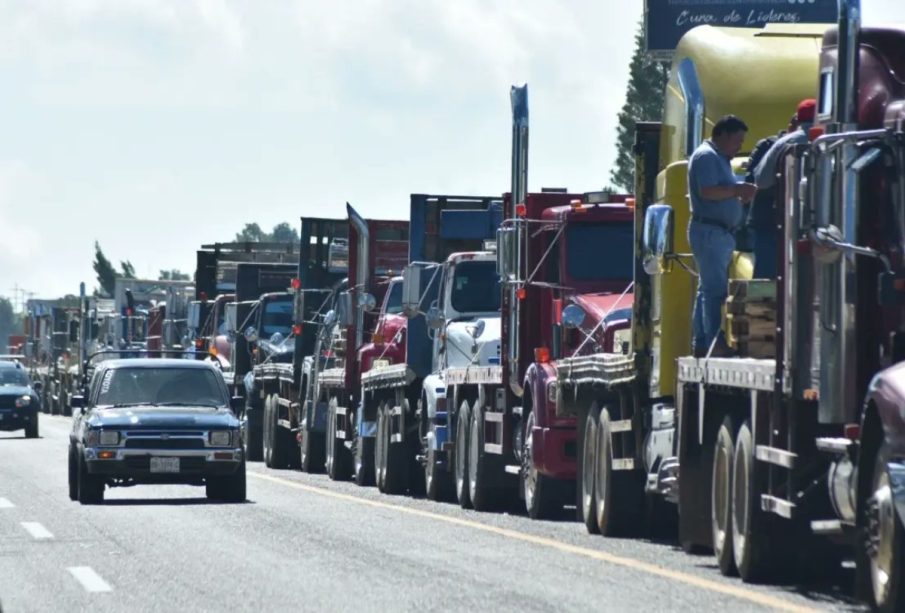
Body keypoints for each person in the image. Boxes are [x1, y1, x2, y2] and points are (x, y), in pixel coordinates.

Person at [688, 115, 757, 358]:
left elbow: (718, 192)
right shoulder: (707, 157)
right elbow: (707, 192)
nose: (739, 146)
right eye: (737, 140)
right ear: (724, 135)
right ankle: (715, 343)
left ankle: (702, 341)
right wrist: (738, 190)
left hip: (717, 231)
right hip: (711, 231)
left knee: (706, 289)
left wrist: (736, 197)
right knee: (714, 291)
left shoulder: (718, 157)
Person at [747, 99, 816, 278]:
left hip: (774, 222)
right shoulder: (830, 139)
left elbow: (760, 180)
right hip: (814, 226)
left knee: (768, 283)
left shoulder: (781, 143)